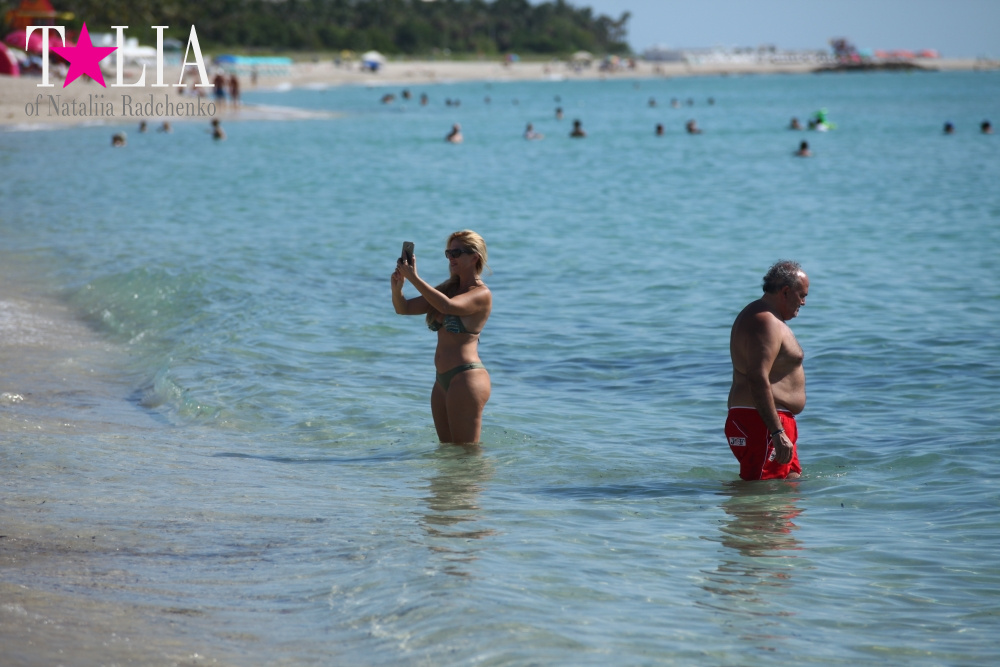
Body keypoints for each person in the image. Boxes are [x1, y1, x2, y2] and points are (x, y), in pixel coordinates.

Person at [391, 231, 493, 444]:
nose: (451, 258)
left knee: (467, 455)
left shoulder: (482, 294)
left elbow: (448, 307)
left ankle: (478, 479)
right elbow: (404, 309)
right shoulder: (448, 289)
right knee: (446, 453)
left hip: (466, 378)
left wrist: (414, 278)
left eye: (457, 252)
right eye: (448, 253)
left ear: (474, 257)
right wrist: (398, 288)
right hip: (441, 380)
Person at [726, 261, 809, 481]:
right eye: (802, 295)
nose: (803, 302)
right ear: (785, 291)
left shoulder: (766, 317)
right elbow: (757, 375)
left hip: (768, 421)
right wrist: (776, 431)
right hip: (763, 422)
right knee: (761, 494)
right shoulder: (766, 322)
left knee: (789, 486)